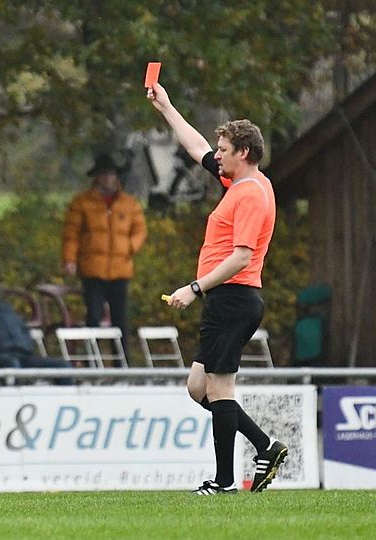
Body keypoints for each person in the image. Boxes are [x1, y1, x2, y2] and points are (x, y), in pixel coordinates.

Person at [147, 82, 287, 495]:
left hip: (233, 298)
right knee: (198, 388)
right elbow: (194, 148)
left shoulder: (250, 196)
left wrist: (195, 287)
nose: (216, 155)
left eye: (223, 149)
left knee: (219, 389)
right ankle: (266, 445)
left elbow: (241, 257)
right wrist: (167, 107)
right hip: (226, 300)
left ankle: (224, 482)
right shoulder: (240, 184)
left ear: (243, 153)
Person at [62, 153, 147, 358]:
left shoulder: (129, 203)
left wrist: (129, 247)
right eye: (104, 174)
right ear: (97, 177)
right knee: (94, 316)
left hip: (120, 269)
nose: (109, 178)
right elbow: (71, 234)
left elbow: (140, 230)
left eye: (111, 174)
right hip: (92, 268)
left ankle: (122, 362)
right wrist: (70, 259)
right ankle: (93, 360)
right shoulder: (82, 203)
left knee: (120, 318)